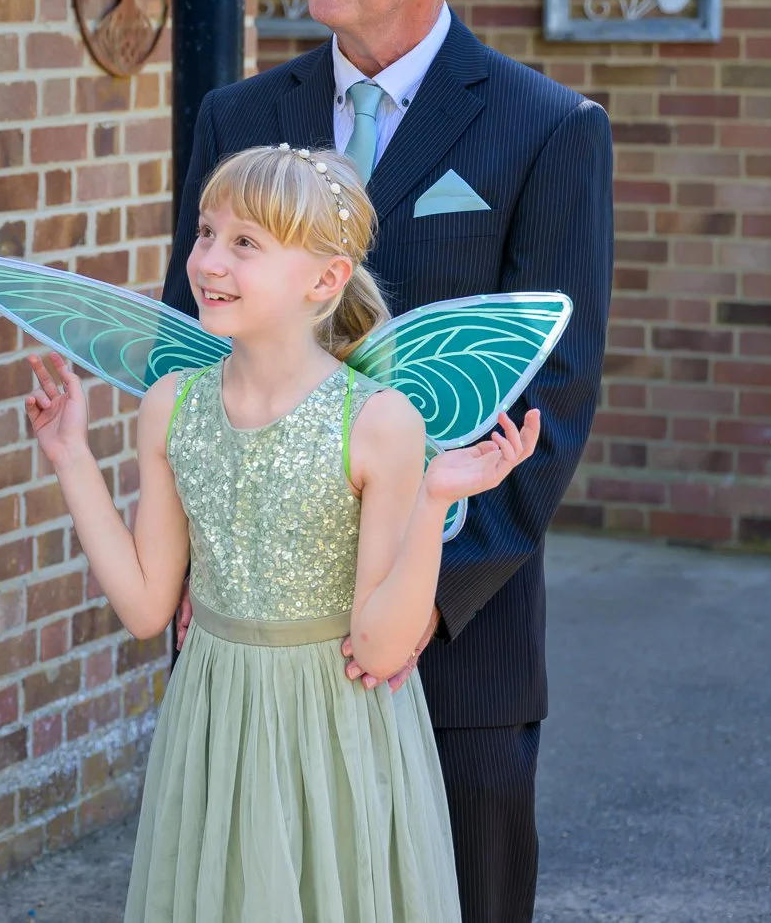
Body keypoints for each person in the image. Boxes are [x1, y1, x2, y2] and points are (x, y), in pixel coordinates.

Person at [163, 0, 613, 923]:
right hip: (253, 643)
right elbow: (191, 355)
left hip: (446, 645)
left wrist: (418, 604)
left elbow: (548, 407)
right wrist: (188, 564)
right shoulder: (236, 116)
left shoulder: (543, 128)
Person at [27, 145, 539, 920]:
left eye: (245, 243)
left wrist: (434, 502)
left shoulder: (376, 421)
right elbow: (143, 605)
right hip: (215, 717)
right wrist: (69, 454)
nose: (208, 261)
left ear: (325, 280)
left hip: (333, 728)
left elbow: (378, 647)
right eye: (205, 232)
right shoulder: (171, 403)